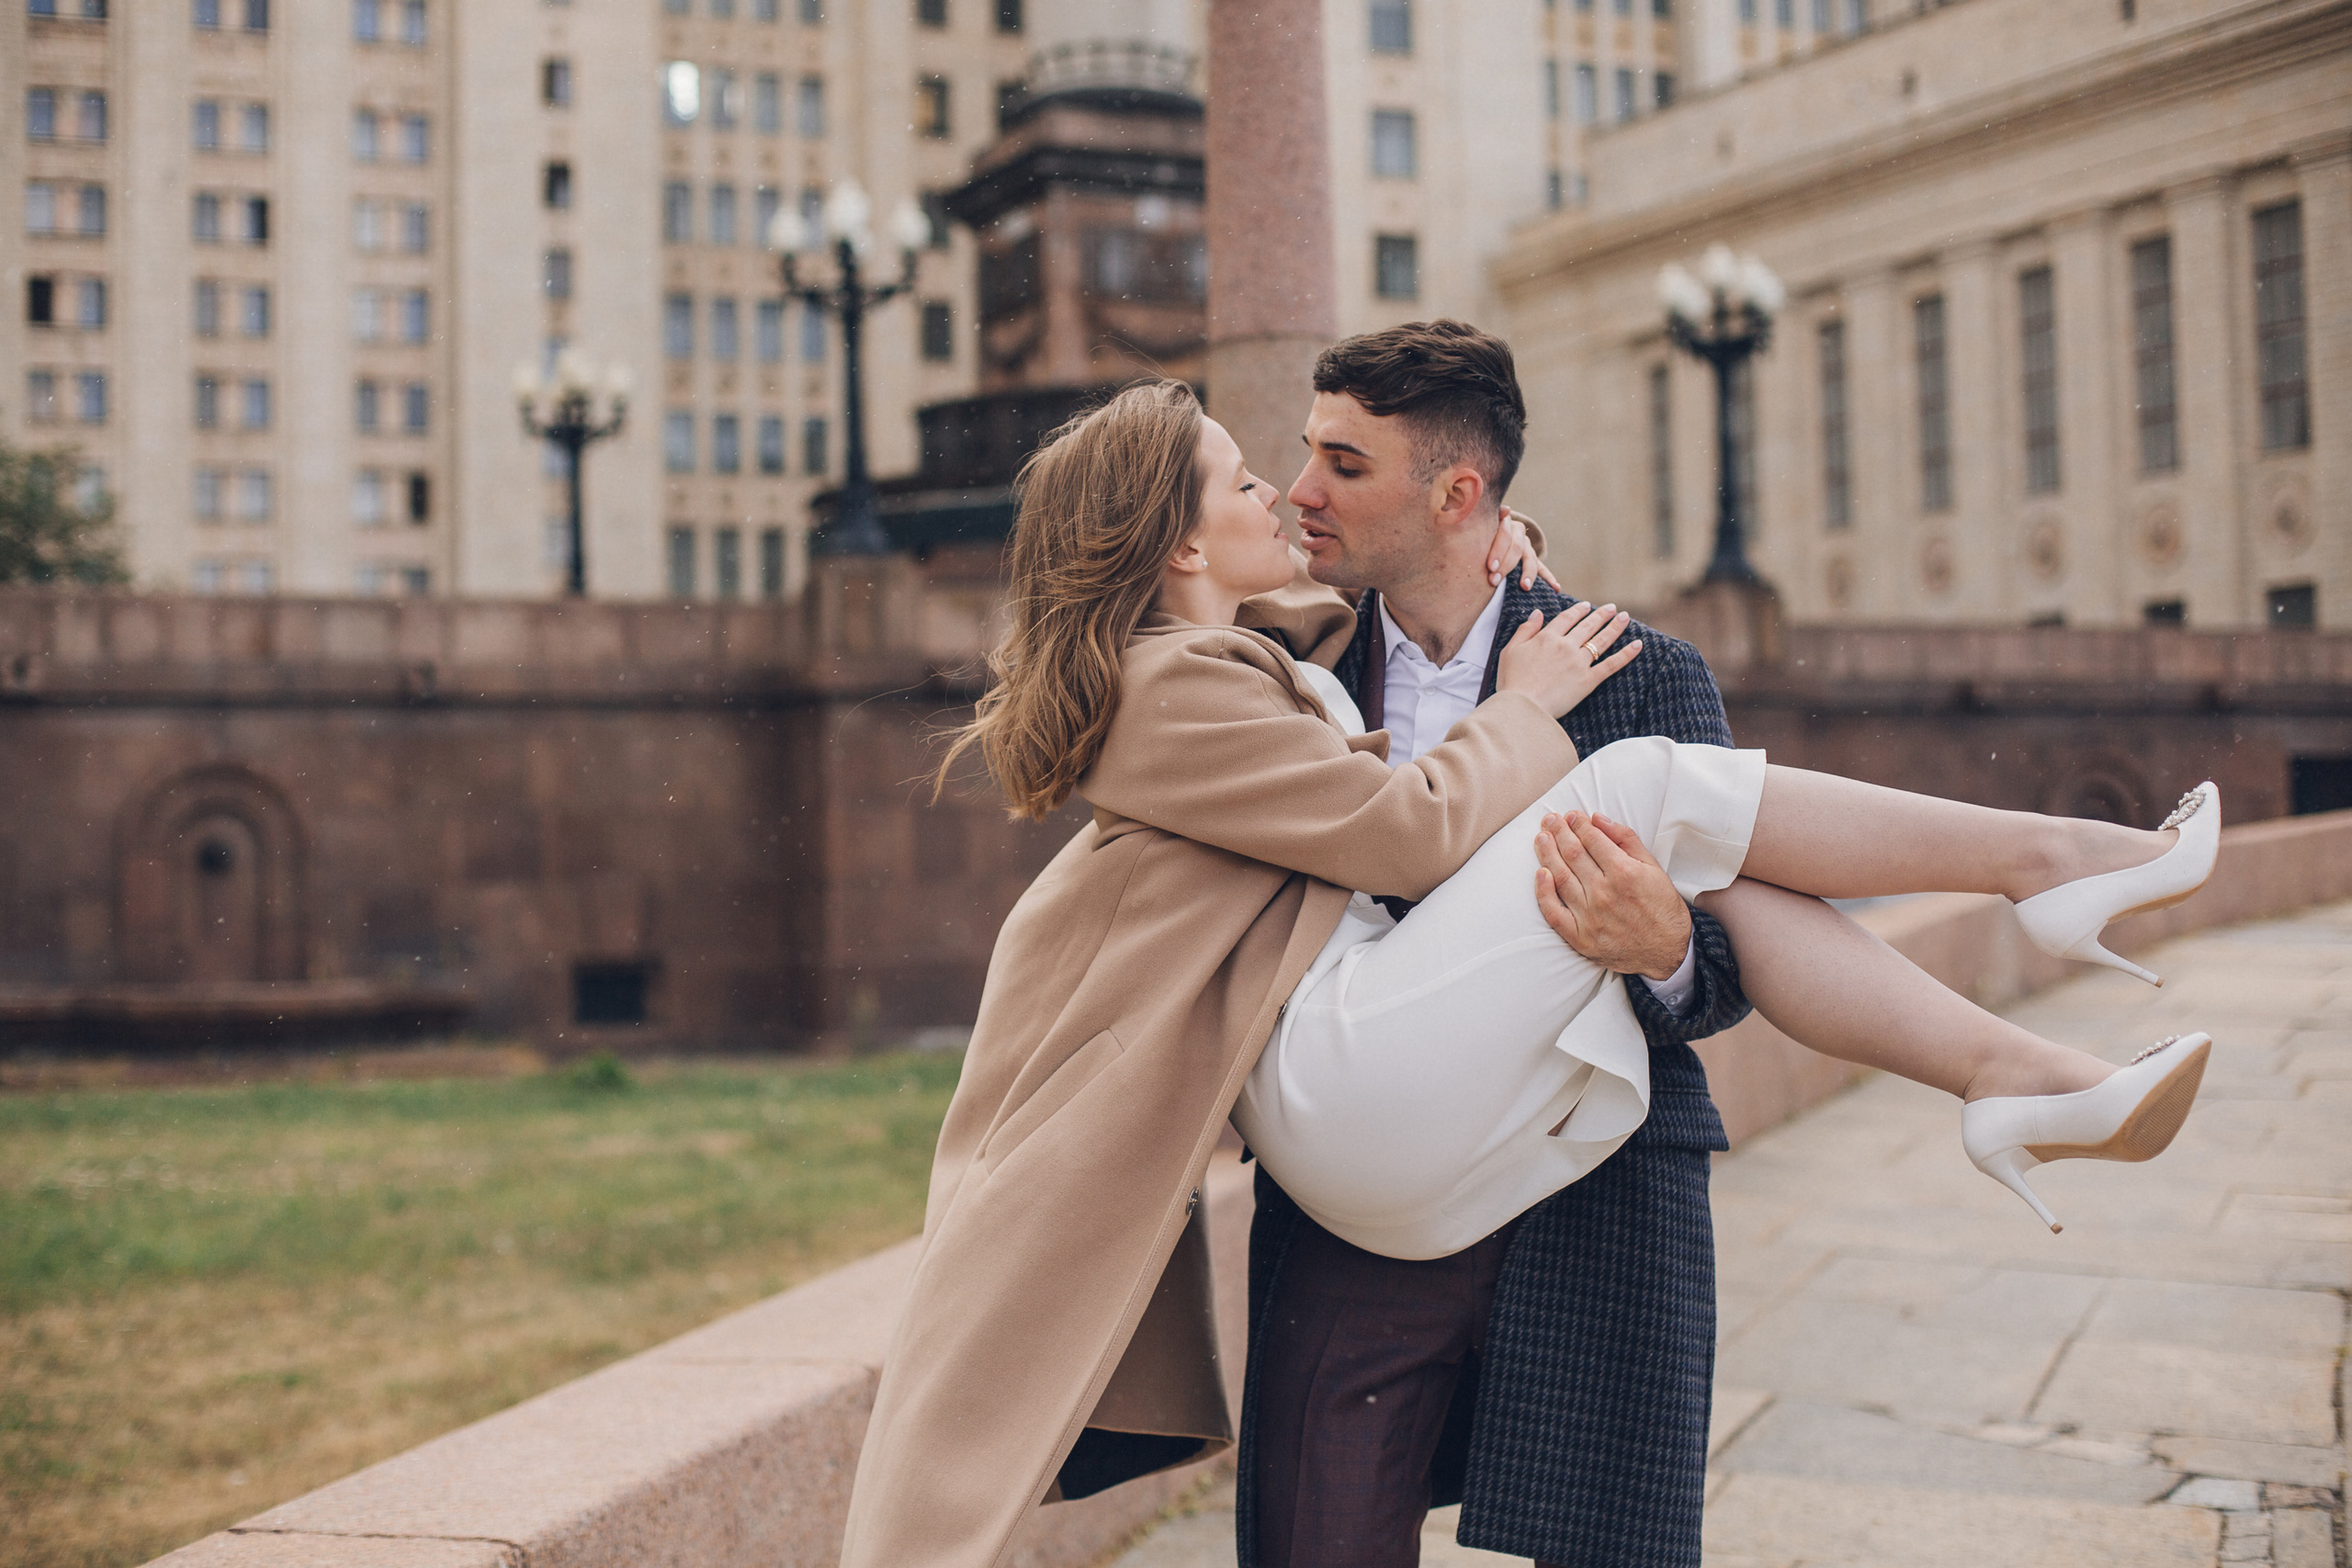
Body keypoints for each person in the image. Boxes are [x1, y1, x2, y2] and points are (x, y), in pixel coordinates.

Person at [836, 371, 2215, 1568]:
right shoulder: (1191, 687)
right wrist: (1525, 705)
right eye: (1259, 474)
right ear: (1179, 534)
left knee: (1684, 818)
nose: (1293, 493)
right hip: (1354, 1108)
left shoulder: (1276, 663)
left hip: (1545, 1173)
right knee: (1644, 784)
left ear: (1461, 496)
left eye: (1336, 465)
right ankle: (2046, 888)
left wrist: (1667, 947)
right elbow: (1403, 823)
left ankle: (2020, 1061)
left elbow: (1705, 952)